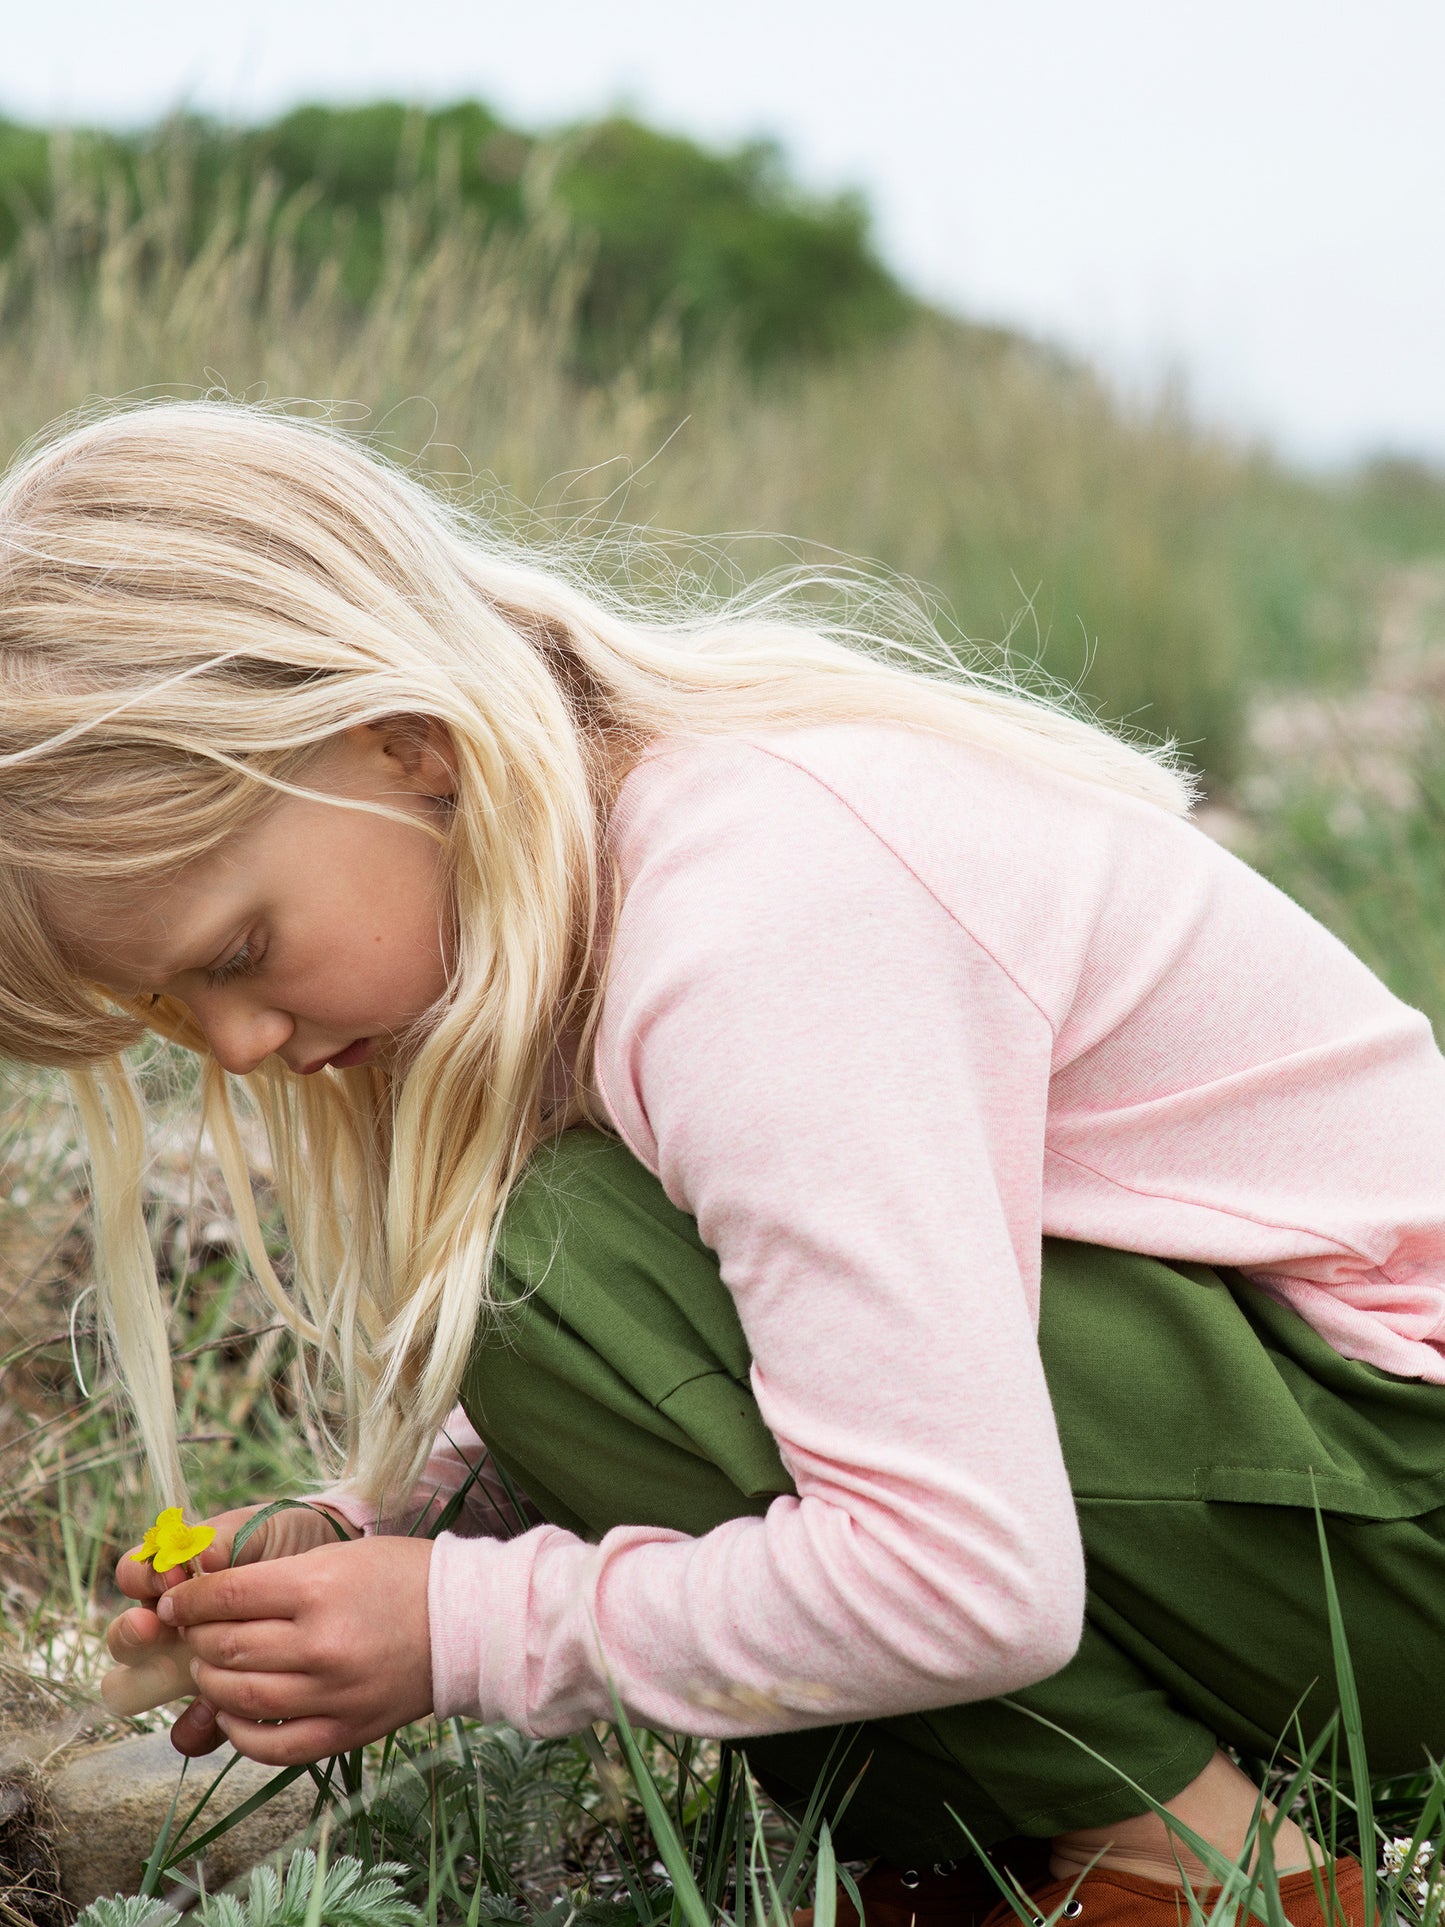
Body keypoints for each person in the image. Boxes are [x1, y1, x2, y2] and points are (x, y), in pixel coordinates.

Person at [2, 400, 1442, 1927]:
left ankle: (1199, 1864)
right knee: (566, 1289)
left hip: (1400, 1515)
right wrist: (387, 1545)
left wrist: (462, 1630)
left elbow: (963, 1570)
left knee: (551, 1268)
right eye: (164, 1008)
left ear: (403, 742)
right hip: (1307, 1534)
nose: (230, 1046)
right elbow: (724, 1380)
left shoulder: (755, 918)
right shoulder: (583, 906)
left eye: (240, 951)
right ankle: (1001, 1852)